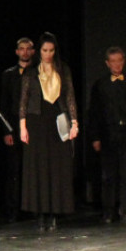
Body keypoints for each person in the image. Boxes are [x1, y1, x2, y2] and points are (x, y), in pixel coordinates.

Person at [19, 32, 78, 230]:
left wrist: (74, 123)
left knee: (57, 167)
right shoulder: (31, 72)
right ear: (39, 51)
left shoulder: (63, 69)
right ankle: (41, 213)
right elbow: (24, 101)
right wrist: (22, 126)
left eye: (51, 50)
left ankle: (54, 213)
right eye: (45, 50)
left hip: (58, 120)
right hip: (37, 121)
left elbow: (69, 97)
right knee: (39, 168)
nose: (48, 54)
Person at [87, 47, 126, 224]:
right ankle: (108, 212)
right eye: (113, 61)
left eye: (119, 61)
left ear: (124, 61)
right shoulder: (100, 85)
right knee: (108, 176)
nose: (116, 65)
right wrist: (95, 137)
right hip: (107, 134)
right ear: (107, 63)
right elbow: (94, 113)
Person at [0, 37, 35, 222]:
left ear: (33, 52)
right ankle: (12, 210)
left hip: (33, 127)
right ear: (17, 52)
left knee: (31, 169)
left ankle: (31, 208)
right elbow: (4, 103)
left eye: (29, 49)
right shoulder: (9, 74)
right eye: (22, 49)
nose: (25, 52)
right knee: (13, 170)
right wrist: (6, 131)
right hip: (13, 125)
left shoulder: (37, 72)